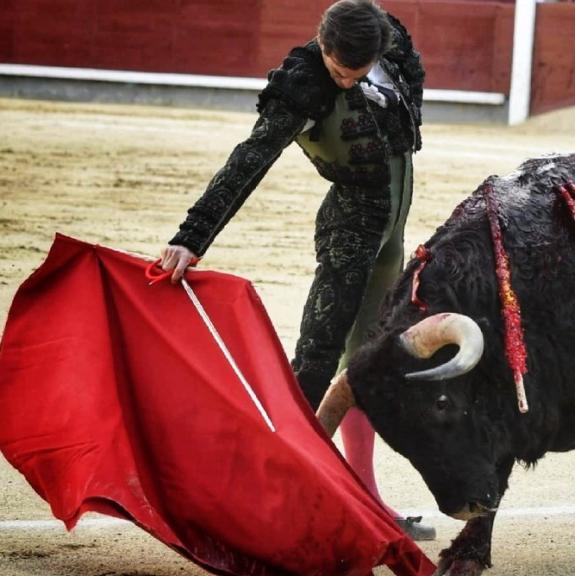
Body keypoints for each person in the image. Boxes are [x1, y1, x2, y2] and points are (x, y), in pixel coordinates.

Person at [158, 0, 434, 541]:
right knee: (314, 362)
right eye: (338, 72)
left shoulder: (389, 43)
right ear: (323, 46)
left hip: (391, 233)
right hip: (351, 231)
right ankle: (272, 500)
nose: (346, 81)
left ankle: (364, 497)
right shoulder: (304, 82)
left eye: (356, 73)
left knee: (369, 362)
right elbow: (251, 157)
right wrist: (193, 236)